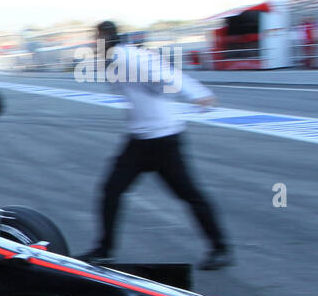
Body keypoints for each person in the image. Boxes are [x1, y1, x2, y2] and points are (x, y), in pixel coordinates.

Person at [80, 21, 232, 270]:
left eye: (95, 38)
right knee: (111, 191)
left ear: (107, 39)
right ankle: (104, 251)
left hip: (163, 140)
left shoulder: (129, 58)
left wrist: (197, 94)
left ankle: (221, 249)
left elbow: (166, 75)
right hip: (139, 140)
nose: (92, 44)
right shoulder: (115, 60)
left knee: (189, 194)